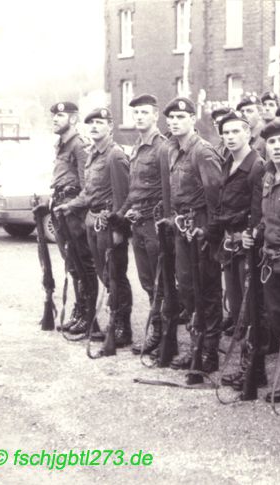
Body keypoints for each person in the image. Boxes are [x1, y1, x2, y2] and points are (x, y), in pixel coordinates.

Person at [241, 119, 280, 404]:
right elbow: (266, 218)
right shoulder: (268, 177)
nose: (277, 147)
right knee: (278, 321)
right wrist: (254, 233)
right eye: (272, 142)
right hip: (270, 259)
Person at [56, 108, 133, 348]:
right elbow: (89, 192)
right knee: (104, 275)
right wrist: (69, 206)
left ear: (110, 126)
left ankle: (122, 326)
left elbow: (124, 196)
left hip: (109, 224)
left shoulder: (115, 156)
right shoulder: (93, 155)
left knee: (116, 275)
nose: (95, 127)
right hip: (92, 221)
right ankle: (113, 321)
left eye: (100, 122)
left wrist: (120, 228)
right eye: (92, 124)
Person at [160, 97, 224, 373]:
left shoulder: (203, 152)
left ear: (193, 120)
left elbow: (216, 198)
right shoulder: (172, 149)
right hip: (181, 224)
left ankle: (209, 352)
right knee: (186, 287)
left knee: (206, 289)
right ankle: (196, 343)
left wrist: (210, 233)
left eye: (180, 117)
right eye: (171, 117)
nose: (174, 122)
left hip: (200, 225)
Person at [206, 110, 266, 390]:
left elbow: (258, 210)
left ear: (248, 133)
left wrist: (250, 236)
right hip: (229, 244)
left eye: (235, 132)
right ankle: (249, 365)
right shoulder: (227, 162)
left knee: (251, 309)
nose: (230, 137)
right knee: (239, 305)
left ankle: (252, 369)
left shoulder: (257, 166)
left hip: (247, 247)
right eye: (226, 133)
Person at [105, 94, 168, 355]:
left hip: (155, 225)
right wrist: (121, 214)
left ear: (155, 116)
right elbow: (134, 189)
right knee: (147, 282)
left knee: (161, 281)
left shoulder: (162, 147)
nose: (140, 117)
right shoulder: (137, 147)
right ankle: (158, 330)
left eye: (144, 112)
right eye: (136, 113)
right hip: (139, 225)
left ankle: (164, 336)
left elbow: (167, 190)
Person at [48, 101, 101, 339]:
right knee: (72, 264)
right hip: (61, 208)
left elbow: (86, 185)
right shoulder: (60, 145)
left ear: (73, 119)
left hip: (74, 212)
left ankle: (90, 318)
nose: (55, 119)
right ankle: (80, 312)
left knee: (84, 264)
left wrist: (72, 206)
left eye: (60, 116)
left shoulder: (79, 145)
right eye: (54, 116)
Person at [236, 94, 267, 158]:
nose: (244, 115)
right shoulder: (241, 137)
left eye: (249, 111)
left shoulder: (266, 137)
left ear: (260, 114)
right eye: (242, 111)